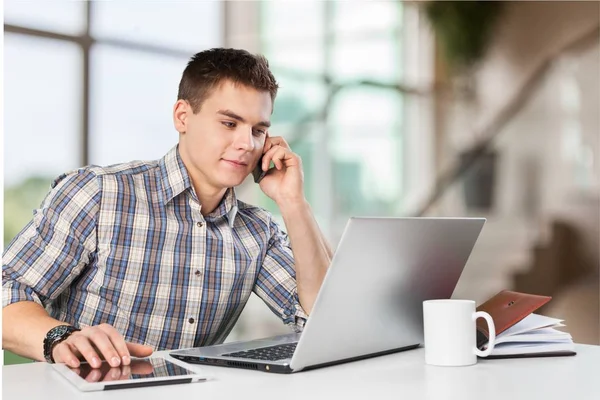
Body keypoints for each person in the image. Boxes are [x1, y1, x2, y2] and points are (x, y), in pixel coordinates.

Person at [2, 48, 333, 369]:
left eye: (259, 130)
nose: (247, 143)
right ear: (182, 116)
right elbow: (8, 291)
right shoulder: (99, 194)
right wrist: (61, 338)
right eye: (230, 124)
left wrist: (294, 202)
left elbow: (326, 318)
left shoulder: (258, 231)